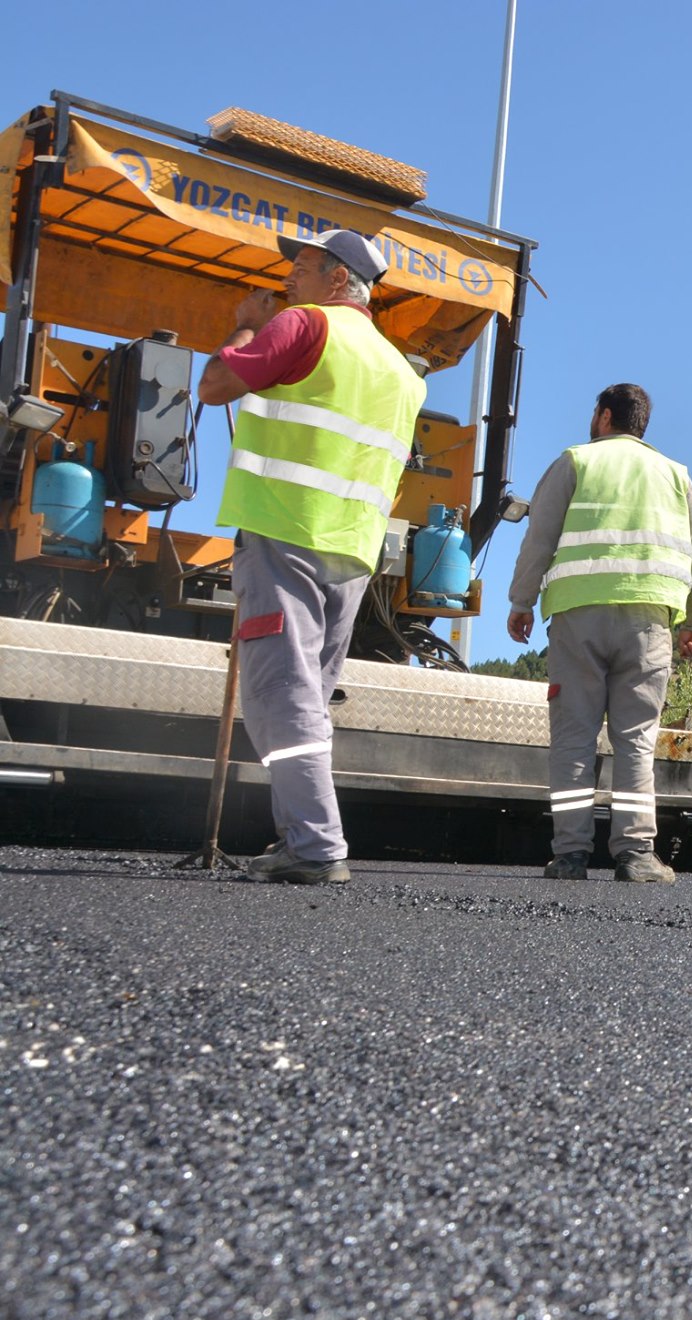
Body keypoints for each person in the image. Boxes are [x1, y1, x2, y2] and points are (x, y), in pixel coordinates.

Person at [195, 229, 427, 884]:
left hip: (285, 530)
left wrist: (245, 328)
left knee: (281, 692)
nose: (288, 279)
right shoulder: (401, 374)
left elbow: (214, 386)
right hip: (353, 551)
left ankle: (318, 844)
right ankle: (297, 836)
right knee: (307, 693)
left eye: (300, 267)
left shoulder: (303, 325)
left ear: (336, 280)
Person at [506, 383, 692, 884]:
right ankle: (637, 855)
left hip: (579, 618)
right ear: (641, 424)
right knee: (636, 740)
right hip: (649, 625)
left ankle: (571, 854)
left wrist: (521, 600)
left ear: (603, 416)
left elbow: (540, 538)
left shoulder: (575, 463)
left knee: (574, 739)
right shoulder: (677, 476)